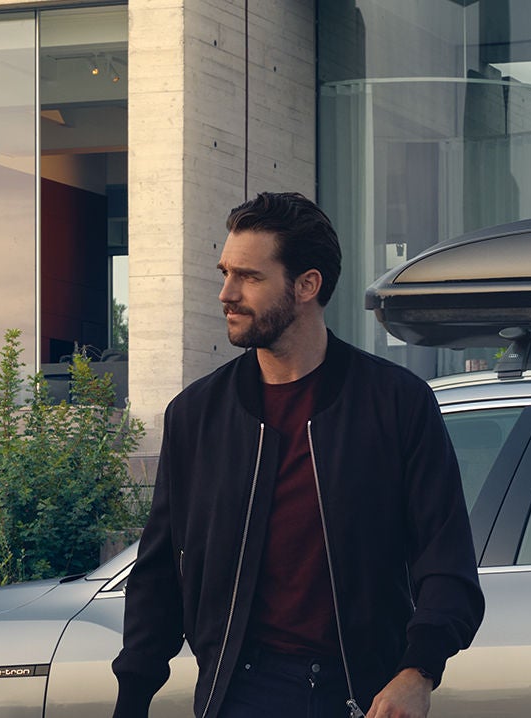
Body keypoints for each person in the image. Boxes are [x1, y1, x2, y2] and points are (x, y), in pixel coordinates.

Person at [111, 192, 484, 718]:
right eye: (225, 273)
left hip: (361, 692)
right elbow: (156, 578)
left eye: (249, 277)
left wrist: (418, 671)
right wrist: (132, 700)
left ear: (307, 285)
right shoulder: (196, 416)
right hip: (240, 692)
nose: (226, 293)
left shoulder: (396, 404)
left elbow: (447, 564)